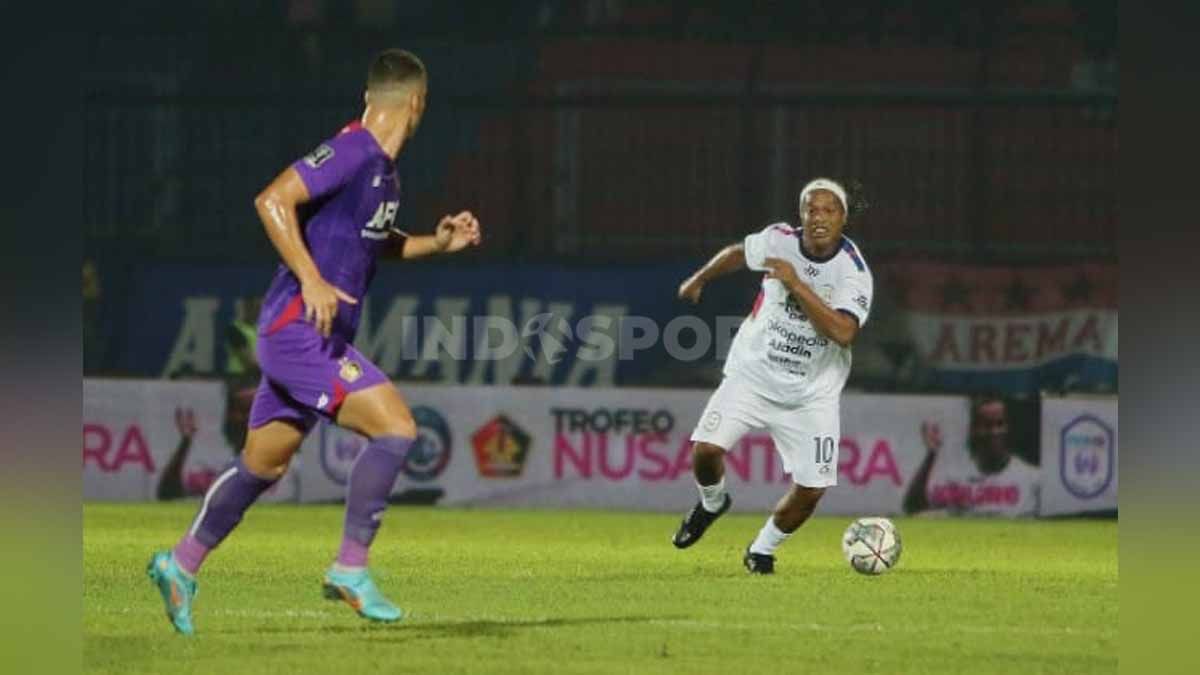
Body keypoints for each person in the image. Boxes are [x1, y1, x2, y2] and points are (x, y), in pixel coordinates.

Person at [147, 49, 482, 635]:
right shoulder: (353, 150)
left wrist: (438, 242)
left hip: (308, 334)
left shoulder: (383, 171)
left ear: (369, 96)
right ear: (418, 103)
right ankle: (351, 568)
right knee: (398, 428)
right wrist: (311, 277)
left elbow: (375, 242)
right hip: (300, 331)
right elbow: (272, 199)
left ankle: (179, 564)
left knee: (261, 466)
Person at [671, 178, 874, 574]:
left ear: (843, 218)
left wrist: (796, 284)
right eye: (811, 210)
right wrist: (700, 279)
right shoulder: (779, 240)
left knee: (813, 488)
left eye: (828, 211)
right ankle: (713, 503)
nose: (818, 218)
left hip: (811, 394)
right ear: (801, 215)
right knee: (705, 451)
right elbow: (737, 254)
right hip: (752, 375)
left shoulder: (854, 272)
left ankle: (761, 550)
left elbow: (844, 333)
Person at [902, 396, 1040, 517]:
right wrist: (931, 454)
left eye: (1000, 424)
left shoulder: (1031, 479)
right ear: (973, 430)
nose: (994, 432)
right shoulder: (957, 479)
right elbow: (913, 507)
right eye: (987, 425)